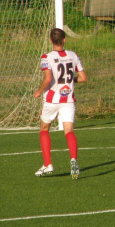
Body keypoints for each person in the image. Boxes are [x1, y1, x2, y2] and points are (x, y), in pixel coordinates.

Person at [33, 28, 87, 178]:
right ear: (64, 40)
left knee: (44, 129)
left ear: (51, 40)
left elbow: (48, 78)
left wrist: (39, 90)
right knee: (69, 131)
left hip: (52, 99)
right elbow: (83, 78)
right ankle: (74, 159)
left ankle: (47, 164)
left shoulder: (46, 57)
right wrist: (71, 80)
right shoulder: (73, 55)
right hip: (68, 99)